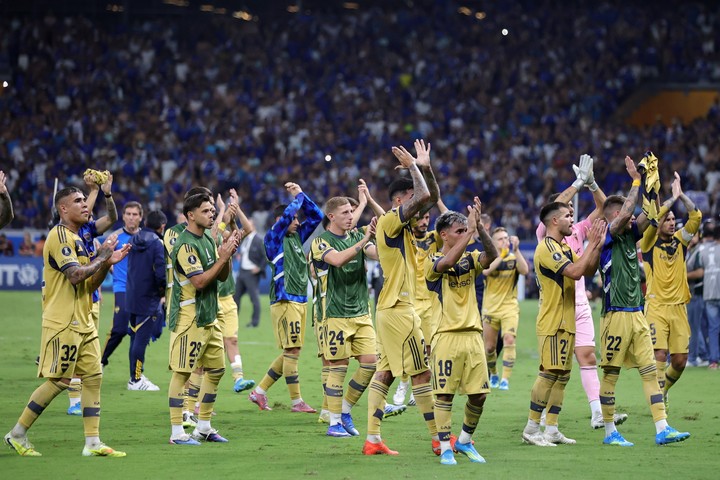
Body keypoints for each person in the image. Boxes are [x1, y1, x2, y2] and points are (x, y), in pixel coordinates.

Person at [4, 186, 130, 457]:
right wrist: (102, 257)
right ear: (63, 209)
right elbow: (74, 276)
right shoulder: (59, 236)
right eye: (78, 201)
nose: (85, 204)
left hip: (83, 320)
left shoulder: (78, 239)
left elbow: (89, 283)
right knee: (60, 381)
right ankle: (17, 433)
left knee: (93, 377)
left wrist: (107, 264)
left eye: (85, 199)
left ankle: (92, 443)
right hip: (63, 321)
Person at [598, 156, 690, 446]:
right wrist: (635, 181)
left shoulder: (630, 236)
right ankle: (610, 432)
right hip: (614, 314)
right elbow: (629, 212)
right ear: (615, 216)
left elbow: (651, 216)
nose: (630, 216)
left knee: (650, 371)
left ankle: (662, 428)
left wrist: (654, 184)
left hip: (638, 314)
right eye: (624, 212)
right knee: (611, 373)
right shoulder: (607, 237)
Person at [535, 154, 627, 429]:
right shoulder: (545, 233)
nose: (571, 213)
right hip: (554, 306)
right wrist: (577, 182)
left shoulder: (577, 230)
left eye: (571, 211)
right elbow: (556, 207)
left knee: (587, 356)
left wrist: (592, 183)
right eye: (566, 211)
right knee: (552, 368)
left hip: (579, 304)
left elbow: (605, 209)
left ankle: (597, 412)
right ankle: (540, 415)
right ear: (554, 217)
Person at [363, 139, 442, 456]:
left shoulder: (400, 224)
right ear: (400, 200)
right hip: (399, 309)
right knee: (422, 372)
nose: (421, 210)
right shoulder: (392, 220)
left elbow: (430, 196)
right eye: (411, 199)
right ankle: (439, 438)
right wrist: (412, 167)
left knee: (384, 374)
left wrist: (426, 168)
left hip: (390, 309)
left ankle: (372, 439)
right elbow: (424, 197)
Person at [522, 201, 605, 447]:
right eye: (568, 216)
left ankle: (552, 429)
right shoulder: (547, 248)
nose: (573, 219)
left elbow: (588, 270)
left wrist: (596, 246)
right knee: (549, 374)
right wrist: (591, 245)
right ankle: (531, 428)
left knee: (562, 376)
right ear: (554, 221)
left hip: (567, 320)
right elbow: (576, 271)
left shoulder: (564, 247)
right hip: (553, 321)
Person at [166, 192, 241, 445]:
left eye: (212, 210)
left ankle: (204, 427)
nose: (212, 215)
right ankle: (177, 432)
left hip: (210, 316)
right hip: (190, 318)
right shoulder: (185, 245)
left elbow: (221, 277)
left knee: (217, 370)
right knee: (182, 374)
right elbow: (199, 282)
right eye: (206, 211)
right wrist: (222, 257)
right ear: (191, 215)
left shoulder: (208, 239)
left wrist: (227, 255)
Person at [426, 201, 496, 465]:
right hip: (446, 335)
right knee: (444, 394)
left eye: (465, 230)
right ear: (444, 235)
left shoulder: (471, 259)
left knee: (479, 395)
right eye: (459, 231)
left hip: (473, 335)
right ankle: (445, 447)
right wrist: (470, 232)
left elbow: (492, 256)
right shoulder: (431, 260)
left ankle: (465, 440)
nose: (465, 234)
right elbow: (448, 261)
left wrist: (480, 229)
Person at [248, 182, 323, 413]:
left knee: (292, 351)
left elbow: (317, 216)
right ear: (281, 220)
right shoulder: (273, 238)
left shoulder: (297, 237)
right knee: (292, 352)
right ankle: (296, 401)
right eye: (294, 219)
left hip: (300, 299)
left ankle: (259, 392)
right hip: (284, 299)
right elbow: (289, 214)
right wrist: (296, 197)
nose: (298, 222)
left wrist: (303, 196)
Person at [310, 196, 378, 437]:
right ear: (331, 216)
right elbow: (337, 260)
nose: (351, 216)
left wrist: (383, 238)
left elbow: (376, 254)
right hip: (335, 315)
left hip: (361, 313)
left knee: (371, 364)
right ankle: (334, 423)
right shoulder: (320, 242)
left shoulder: (357, 236)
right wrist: (365, 239)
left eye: (352, 211)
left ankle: (345, 408)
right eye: (345, 213)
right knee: (338, 368)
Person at [639, 172, 701, 405]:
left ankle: (663, 388)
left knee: (680, 361)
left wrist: (681, 195)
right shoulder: (648, 243)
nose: (672, 222)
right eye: (668, 220)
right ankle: (658, 406)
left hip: (679, 308)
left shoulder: (681, 241)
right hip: (656, 307)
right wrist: (670, 200)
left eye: (674, 219)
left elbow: (696, 216)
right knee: (659, 354)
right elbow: (654, 218)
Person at [67, 171, 118, 415]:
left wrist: (106, 193)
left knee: (89, 352)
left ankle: (84, 400)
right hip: (72, 297)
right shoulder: (67, 232)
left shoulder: (89, 228)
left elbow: (112, 217)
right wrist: (94, 190)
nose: (85, 207)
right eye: (79, 203)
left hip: (92, 296)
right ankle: (74, 400)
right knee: (74, 350)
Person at [392, 196, 448, 408]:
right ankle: (403, 383)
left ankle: (422, 387)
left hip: (432, 302)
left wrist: (438, 199)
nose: (424, 222)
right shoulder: (405, 237)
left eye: (427, 218)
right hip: (409, 299)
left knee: (428, 348)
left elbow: (450, 221)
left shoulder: (435, 238)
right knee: (409, 345)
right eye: (420, 218)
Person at [213, 191, 256, 394]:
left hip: (228, 300)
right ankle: (194, 393)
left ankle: (238, 378)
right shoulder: (208, 241)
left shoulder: (228, 241)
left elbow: (247, 229)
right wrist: (223, 211)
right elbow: (216, 234)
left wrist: (235, 208)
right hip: (210, 300)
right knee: (209, 348)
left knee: (232, 340)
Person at [482, 227, 529, 391]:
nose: (504, 241)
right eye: (500, 239)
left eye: (506, 238)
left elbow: (525, 270)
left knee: (509, 339)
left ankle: (505, 380)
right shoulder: (487, 258)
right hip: (490, 309)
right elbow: (486, 271)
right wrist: (501, 255)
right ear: (493, 243)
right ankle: (494, 374)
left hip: (509, 308)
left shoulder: (513, 258)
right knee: (489, 347)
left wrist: (516, 250)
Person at [125, 210, 167, 391]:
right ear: (162, 226)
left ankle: (135, 376)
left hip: (132, 296)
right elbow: (161, 273)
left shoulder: (133, 239)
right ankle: (136, 380)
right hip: (149, 298)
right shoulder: (157, 244)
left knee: (135, 338)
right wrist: (163, 292)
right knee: (141, 340)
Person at [101, 201, 144, 372]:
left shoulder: (146, 237)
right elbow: (102, 260)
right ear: (123, 216)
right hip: (122, 288)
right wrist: (115, 272)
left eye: (135, 214)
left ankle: (136, 375)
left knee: (139, 332)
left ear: (140, 217)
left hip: (142, 291)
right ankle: (100, 361)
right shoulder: (114, 237)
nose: (131, 217)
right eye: (128, 214)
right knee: (119, 329)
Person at [690, 222, 720, 369]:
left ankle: (713, 360)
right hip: (712, 292)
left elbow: (694, 267)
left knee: (712, 329)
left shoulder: (702, 250)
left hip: (709, 293)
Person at [234, 218, 264, 328]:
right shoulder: (245, 239)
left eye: (248, 225)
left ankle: (255, 322)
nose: (245, 227)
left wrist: (259, 268)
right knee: (235, 297)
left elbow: (265, 256)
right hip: (242, 271)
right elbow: (244, 251)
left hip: (251, 273)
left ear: (253, 226)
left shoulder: (259, 239)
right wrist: (239, 255)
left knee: (254, 298)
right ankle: (233, 321)